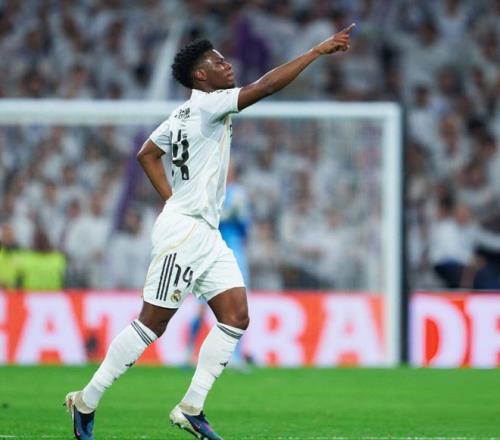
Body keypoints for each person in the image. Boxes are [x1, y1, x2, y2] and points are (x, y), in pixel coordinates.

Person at [65, 24, 355, 440]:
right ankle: (86, 399)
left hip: (204, 232)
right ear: (201, 75)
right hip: (184, 233)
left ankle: (191, 408)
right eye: (217, 62)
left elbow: (147, 154)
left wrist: (171, 198)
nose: (227, 64)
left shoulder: (180, 114)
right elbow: (266, 87)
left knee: (236, 316)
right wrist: (315, 51)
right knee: (152, 323)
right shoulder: (209, 105)